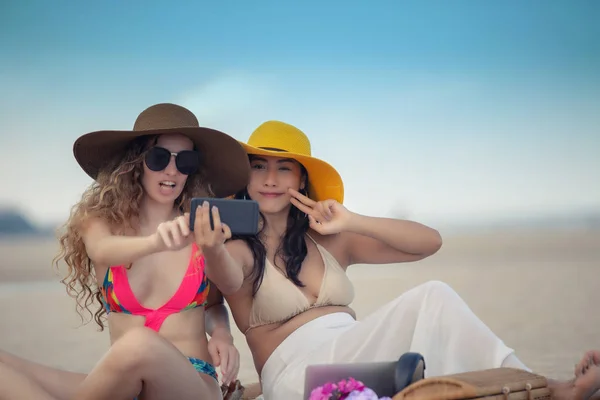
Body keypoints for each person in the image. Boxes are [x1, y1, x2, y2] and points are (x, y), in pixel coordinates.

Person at [196, 119, 600, 400]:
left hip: (358, 352)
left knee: (431, 340)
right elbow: (228, 279)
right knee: (433, 298)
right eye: (259, 166)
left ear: (301, 179)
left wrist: (352, 219)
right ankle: (551, 388)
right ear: (246, 176)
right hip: (296, 377)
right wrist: (212, 246)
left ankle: (532, 386)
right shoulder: (236, 246)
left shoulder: (331, 241)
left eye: (284, 168)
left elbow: (429, 242)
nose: (270, 179)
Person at [0, 103, 249, 400]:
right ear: (135, 162)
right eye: (159, 158)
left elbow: (227, 288)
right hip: (126, 387)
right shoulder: (99, 221)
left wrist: (222, 330)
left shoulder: (201, 226)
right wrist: (156, 242)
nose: (172, 170)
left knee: (138, 343)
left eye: (185, 161)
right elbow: (102, 250)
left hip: (191, 382)